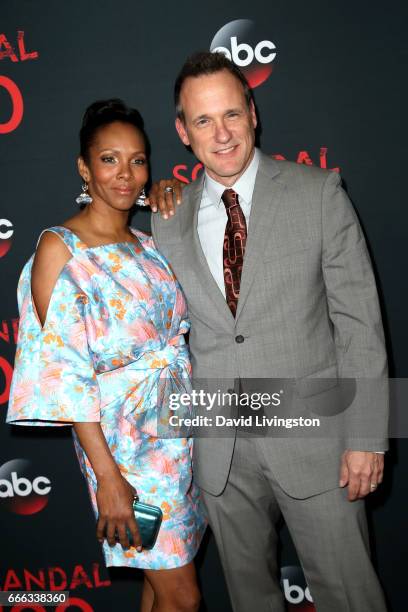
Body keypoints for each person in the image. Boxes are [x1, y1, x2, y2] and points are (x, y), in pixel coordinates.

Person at [149, 52, 389, 611]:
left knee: (350, 595)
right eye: (203, 121)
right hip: (219, 448)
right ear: (183, 132)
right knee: (250, 600)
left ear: (253, 112)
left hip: (318, 438)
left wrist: (367, 437)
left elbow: (360, 321)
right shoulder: (165, 216)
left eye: (232, 114)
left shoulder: (319, 192)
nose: (222, 133)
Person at [7, 99, 206, 612]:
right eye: (109, 159)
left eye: (138, 160)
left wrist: (176, 195)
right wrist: (109, 479)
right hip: (123, 446)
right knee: (182, 596)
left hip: (179, 430)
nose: (126, 174)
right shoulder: (60, 248)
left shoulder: (147, 241)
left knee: (158, 582)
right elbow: (66, 375)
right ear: (84, 167)